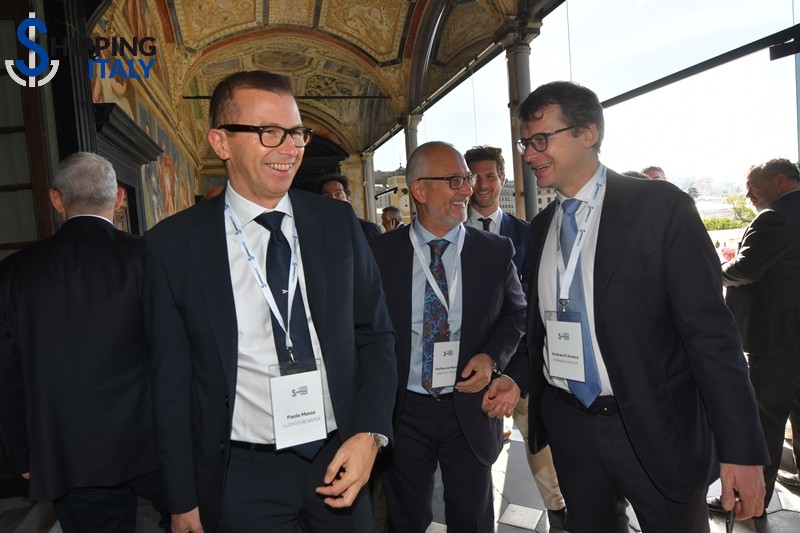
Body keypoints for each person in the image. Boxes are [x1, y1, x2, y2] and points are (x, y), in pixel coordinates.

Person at [482, 81, 768, 532]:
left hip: (656, 425)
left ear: (588, 133)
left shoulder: (660, 208)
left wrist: (742, 450)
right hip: (570, 428)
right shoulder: (541, 227)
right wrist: (516, 378)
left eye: (541, 140)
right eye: (525, 144)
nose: (530, 155)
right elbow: (544, 328)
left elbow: (711, 335)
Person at [143, 70, 397, 533]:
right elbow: (170, 384)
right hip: (240, 475)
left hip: (337, 455)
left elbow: (375, 335)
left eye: (296, 132)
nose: (289, 148)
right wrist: (181, 499)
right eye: (269, 132)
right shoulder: (173, 247)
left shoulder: (338, 224)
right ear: (221, 142)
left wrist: (370, 434)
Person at [0, 152, 162, 532]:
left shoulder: (12, 274)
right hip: (156, 443)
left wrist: (24, 452)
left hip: (71, 454)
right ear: (119, 198)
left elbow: (6, 374)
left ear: (56, 199)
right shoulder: (150, 258)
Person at [370, 141, 526, 532]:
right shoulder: (378, 254)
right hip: (404, 411)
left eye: (467, 179)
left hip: (469, 406)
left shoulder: (494, 251)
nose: (468, 190)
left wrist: (492, 358)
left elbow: (517, 314)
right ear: (419, 190)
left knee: (471, 518)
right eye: (455, 180)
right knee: (406, 519)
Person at [463, 145, 572, 531]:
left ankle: (559, 514)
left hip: (521, 360)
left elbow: (535, 300)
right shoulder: (450, 232)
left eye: (490, 176)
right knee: (469, 455)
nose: (482, 185)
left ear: (503, 179)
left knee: (539, 443)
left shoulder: (528, 233)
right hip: (467, 365)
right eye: (473, 177)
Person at [711, 158, 800, 514]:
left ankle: (752, 499)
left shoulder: (775, 217)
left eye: (752, 185)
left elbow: (747, 268)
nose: (748, 193)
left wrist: (712, 270)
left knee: (766, 418)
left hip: (777, 339)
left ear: (779, 181)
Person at [318, 174, 382, 239]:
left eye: (338, 194)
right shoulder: (317, 232)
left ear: (348, 199)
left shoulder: (367, 229)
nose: (333, 199)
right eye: (327, 196)